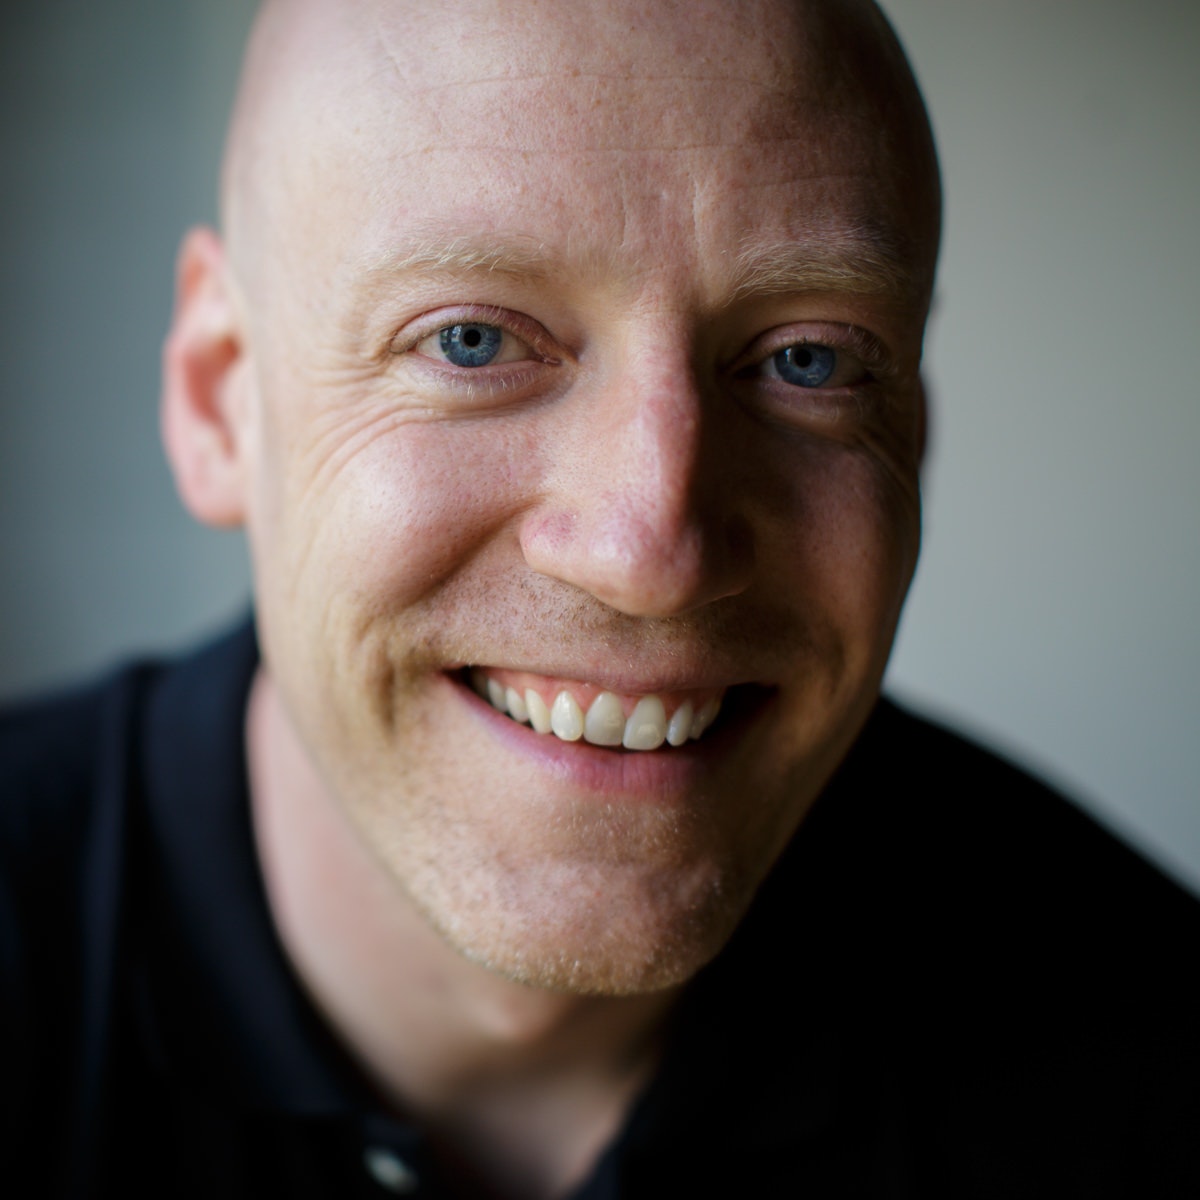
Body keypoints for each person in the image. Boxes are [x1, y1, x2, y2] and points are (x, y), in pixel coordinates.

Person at [1, 1, 1196, 1196]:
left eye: (810, 360)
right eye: (471, 341)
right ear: (221, 398)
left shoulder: (1141, 1063)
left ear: (912, 435)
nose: (652, 554)